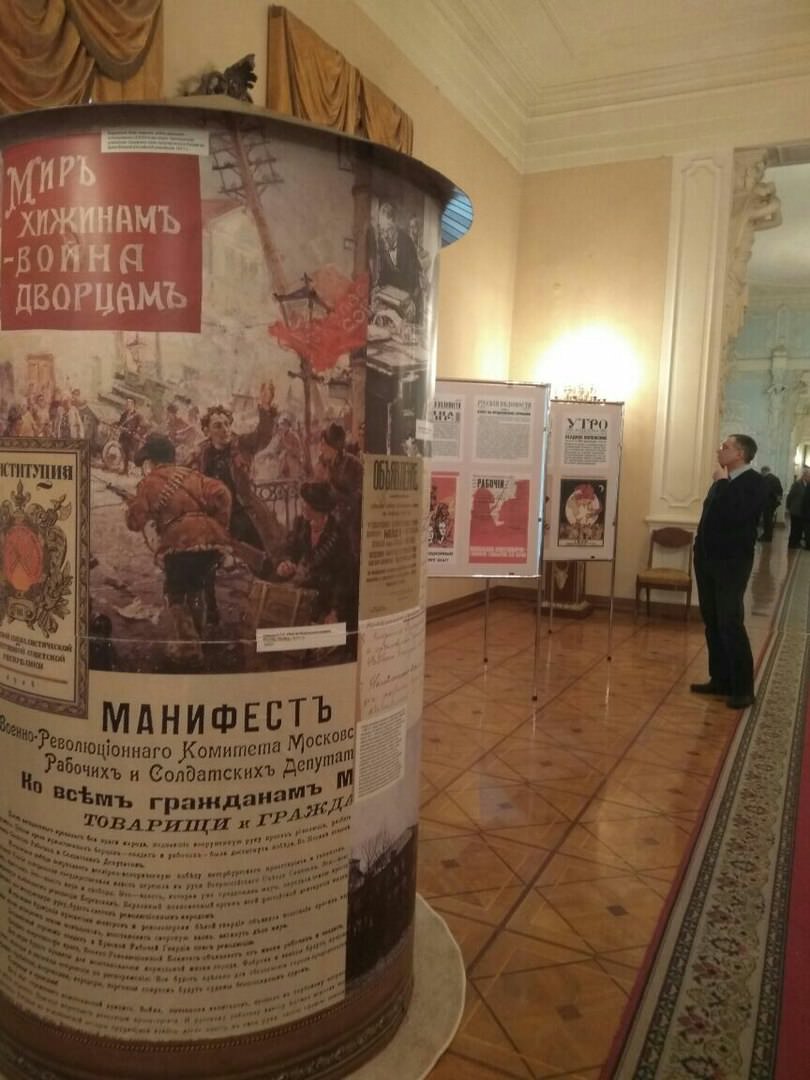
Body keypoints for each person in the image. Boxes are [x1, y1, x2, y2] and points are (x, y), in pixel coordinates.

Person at [125, 434, 232, 666]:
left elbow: (135, 523)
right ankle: (196, 639)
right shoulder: (193, 475)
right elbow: (222, 493)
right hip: (209, 541)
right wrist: (219, 525)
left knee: (174, 593)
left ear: (152, 460)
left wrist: (133, 507)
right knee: (196, 589)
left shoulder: (149, 482)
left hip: (179, 545)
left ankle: (189, 648)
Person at [690, 433, 767, 710]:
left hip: (732, 563)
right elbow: (711, 517)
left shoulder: (754, 483)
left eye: (725, 447)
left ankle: (743, 689)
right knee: (712, 620)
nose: (719, 450)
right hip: (707, 560)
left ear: (740, 454)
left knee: (730, 622)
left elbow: (735, 514)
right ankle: (720, 679)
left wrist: (722, 484)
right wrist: (699, 549)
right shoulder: (722, 479)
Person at [275, 482, 351, 624]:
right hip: (304, 590)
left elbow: (344, 578)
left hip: (327, 598)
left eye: (308, 503)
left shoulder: (338, 534)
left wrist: (335, 611)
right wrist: (286, 563)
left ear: (320, 508)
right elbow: (289, 549)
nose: (303, 505)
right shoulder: (301, 523)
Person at [786, 466, 810, 549]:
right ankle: (792, 544)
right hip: (796, 510)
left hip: (803, 511)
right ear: (804, 475)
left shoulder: (807, 485)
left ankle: (797, 542)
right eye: (809, 476)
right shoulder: (797, 484)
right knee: (794, 528)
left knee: (799, 528)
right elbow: (790, 496)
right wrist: (788, 507)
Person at [758, 466, 783, 541]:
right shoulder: (776, 478)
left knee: (767, 520)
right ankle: (768, 535)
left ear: (764, 471)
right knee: (769, 520)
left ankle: (767, 536)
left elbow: (765, 492)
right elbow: (780, 491)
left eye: (761, 472)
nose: (761, 474)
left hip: (767, 503)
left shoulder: (766, 479)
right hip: (773, 503)